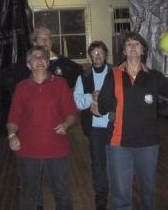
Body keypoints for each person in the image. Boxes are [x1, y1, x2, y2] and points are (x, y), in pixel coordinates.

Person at [97, 32, 168, 210]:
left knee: (148, 194)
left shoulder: (152, 76)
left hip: (148, 145)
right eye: (128, 44)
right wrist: (98, 102)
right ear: (123, 51)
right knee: (121, 197)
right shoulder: (113, 75)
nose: (133, 47)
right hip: (118, 144)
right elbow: (103, 106)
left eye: (136, 44)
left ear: (143, 49)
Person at [7, 46, 77, 210]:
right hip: (28, 150)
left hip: (57, 148)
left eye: (43, 57)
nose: (39, 60)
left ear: (48, 62)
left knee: (62, 192)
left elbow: (72, 114)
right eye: (35, 57)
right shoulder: (21, 87)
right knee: (29, 194)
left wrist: (66, 124)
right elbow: (13, 117)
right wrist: (11, 135)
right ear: (28, 64)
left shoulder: (60, 84)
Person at [73, 41, 111, 210]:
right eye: (94, 53)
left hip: (115, 125)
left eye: (100, 53)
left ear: (105, 54)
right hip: (95, 128)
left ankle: (119, 194)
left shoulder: (116, 73)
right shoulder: (84, 76)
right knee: (98, 164)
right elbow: (78, 102)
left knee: (117, 162)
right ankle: (101, 198)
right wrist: (91, 96)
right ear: (90, 56)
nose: (97, 56)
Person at [2, 26, 82, 92]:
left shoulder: (64, 62)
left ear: (51, 44)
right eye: (41, 38)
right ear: (34, 44)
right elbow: (7, 78)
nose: (45, 41)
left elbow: (80, 76)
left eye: (48, 39)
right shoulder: (26, 63)